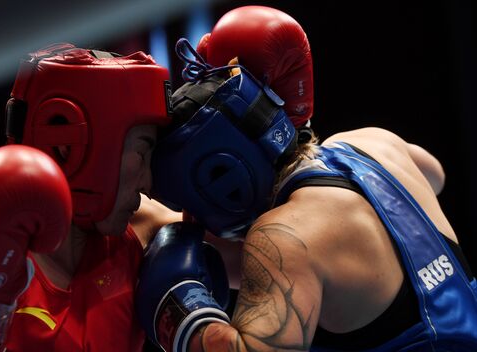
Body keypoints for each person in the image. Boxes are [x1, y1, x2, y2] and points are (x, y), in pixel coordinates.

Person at [135, 5, 477, 352]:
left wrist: (179, 309)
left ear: (223, 177)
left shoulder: (284, 238)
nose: (195, 217)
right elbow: (435, 174)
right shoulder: (371, 143)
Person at [0, 43, 182, 351]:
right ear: (68, 148)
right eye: (142, 153)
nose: (147, 182)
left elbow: (241, 245)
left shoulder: (143, 231)